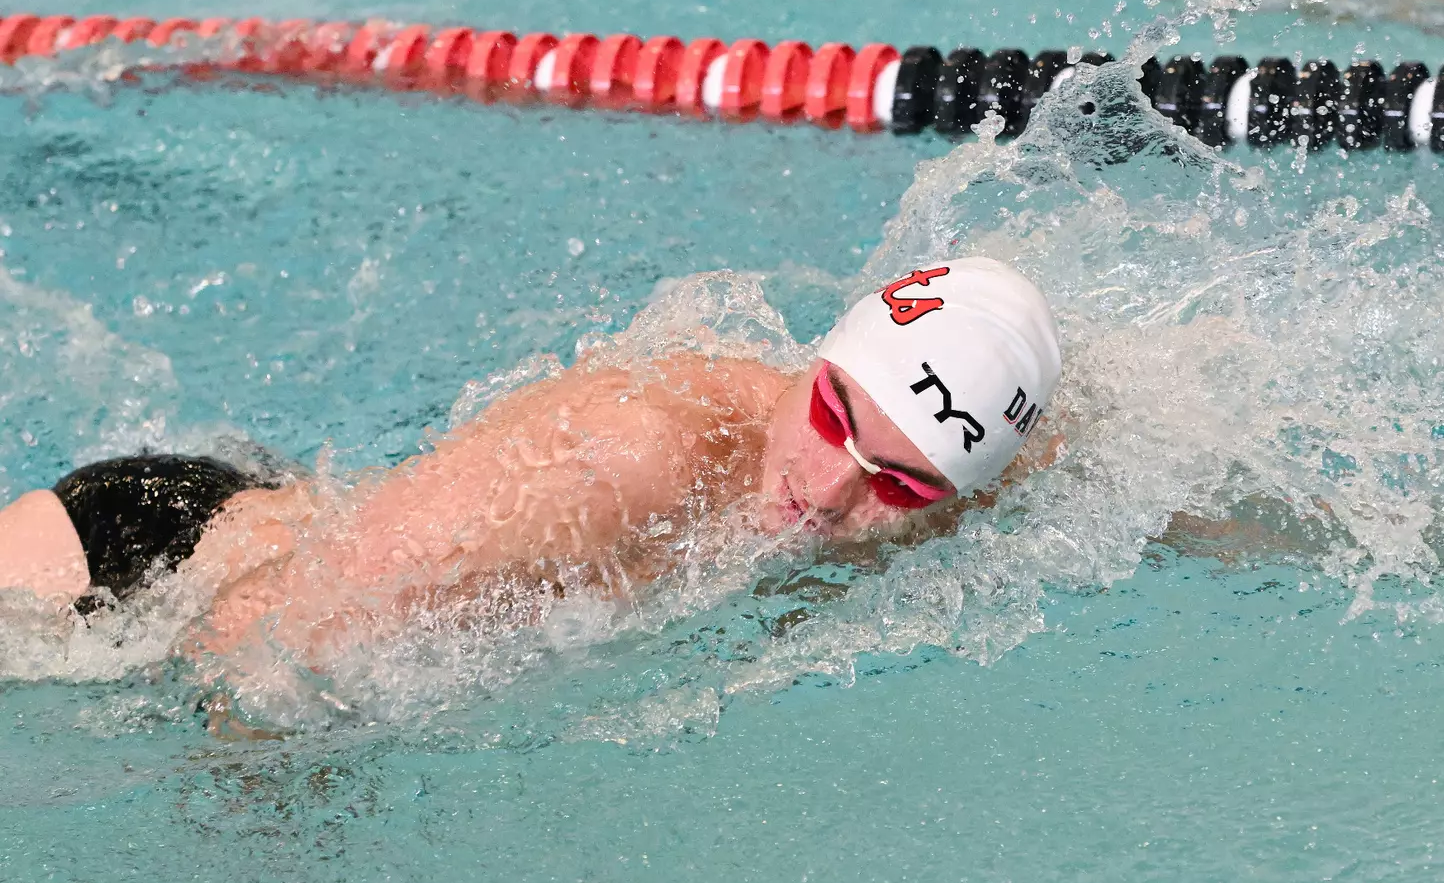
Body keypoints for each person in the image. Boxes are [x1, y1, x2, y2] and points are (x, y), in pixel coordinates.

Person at [0, 257, 1063, 667]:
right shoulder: (636, 451)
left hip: (316, 533)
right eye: (834, 417)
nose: (829, 490)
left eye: (899, 482)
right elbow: (260, 631)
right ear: (816, 358)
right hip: (142, 567)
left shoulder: (957, 485)